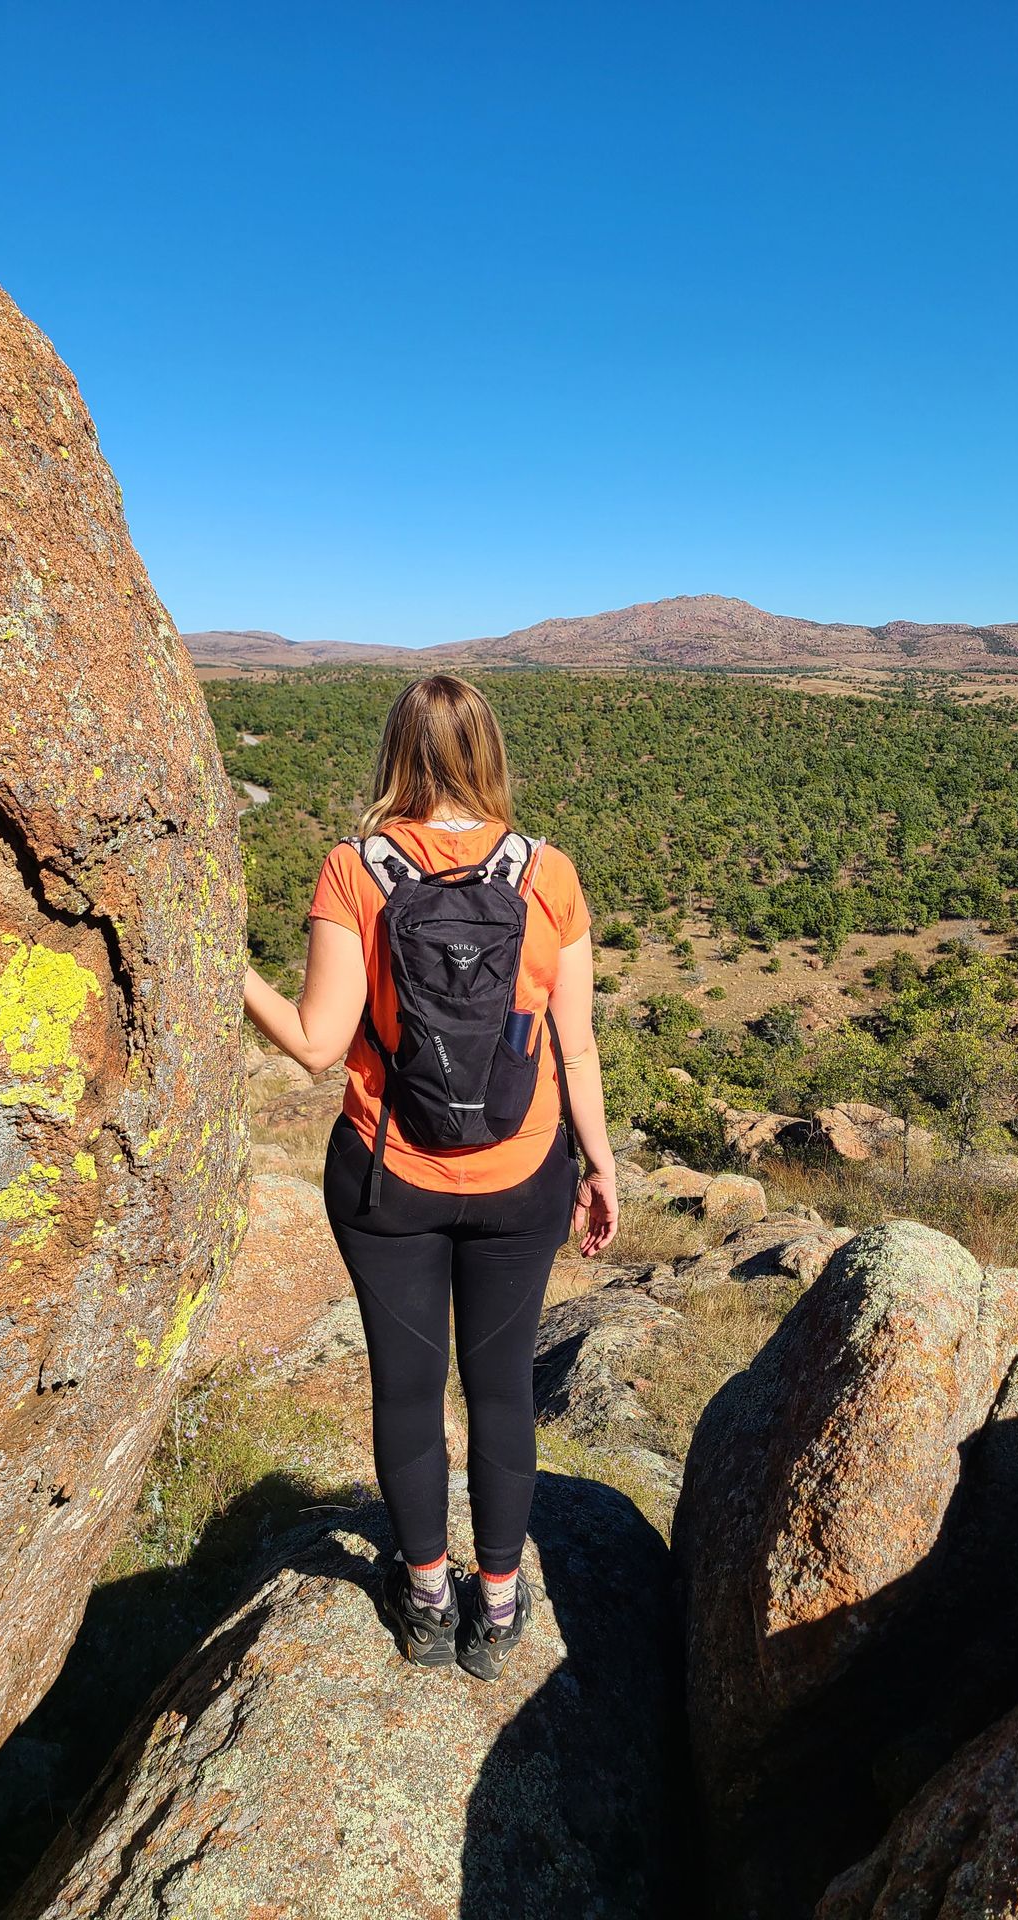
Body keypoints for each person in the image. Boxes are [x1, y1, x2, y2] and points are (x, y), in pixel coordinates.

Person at [242, 673, 618, 1680]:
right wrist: (600, 1165)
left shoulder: (353, 871)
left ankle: (422, 1598)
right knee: (500, 1391)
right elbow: (575, 1051)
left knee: (406, 1390)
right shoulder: (549, 875)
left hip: (386, 1181)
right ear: (489, 754)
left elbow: (320, 1045)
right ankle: (496, 1612)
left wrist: (221, 968)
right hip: (522, 1175)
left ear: (396, 755)